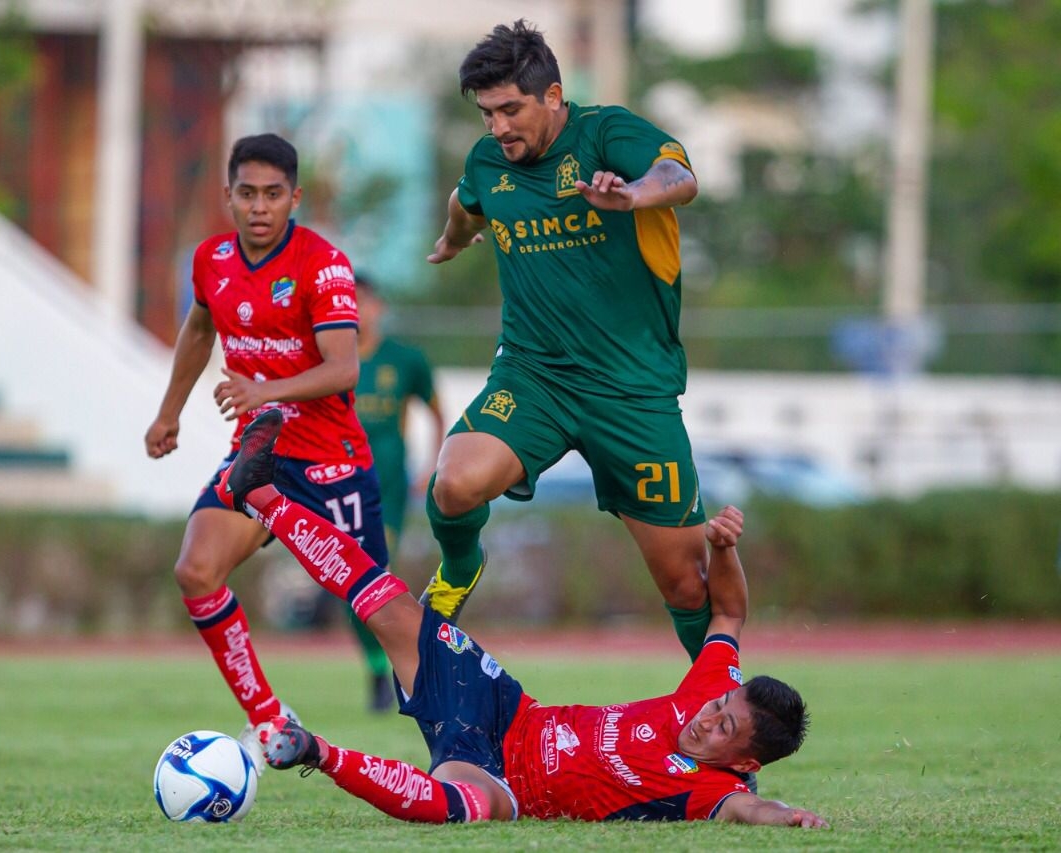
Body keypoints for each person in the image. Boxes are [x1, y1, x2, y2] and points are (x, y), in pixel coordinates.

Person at [216, 411, 828, 828]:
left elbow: (754, 812)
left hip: (507, 785)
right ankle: (261, 495)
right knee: (390, 605)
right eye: (719, 710)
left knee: (456, 806)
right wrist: (723, 547)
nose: (707, 721)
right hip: (508, 711)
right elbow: (727, 611)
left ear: (745, 763)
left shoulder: (715, 792)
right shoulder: (708, 691)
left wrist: (792, 815)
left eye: (725, 731)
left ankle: (313, 751)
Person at [421, 20, 715, 665]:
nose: (498, 128)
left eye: (510, 110)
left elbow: (680, 176)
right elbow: (466, 201)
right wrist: (449, 239)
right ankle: (460, 568)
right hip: (536, 378)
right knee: (454, 485)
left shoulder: (608, 132)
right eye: (487, 113)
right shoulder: (487, 161)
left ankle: (727, 729)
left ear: (553, 95)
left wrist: (634, 196)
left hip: (632, 389)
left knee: (689, 582)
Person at [144, 133, 390, 769]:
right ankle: (272, 723)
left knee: (384, 616)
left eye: (273, 195)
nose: (259, 207)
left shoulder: (323, 264)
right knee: (196, 571)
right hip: (259, 460)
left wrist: (264, 389)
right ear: (228, 196)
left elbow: (344, 368)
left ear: (294, 198)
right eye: (247, 193)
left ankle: (458, 735)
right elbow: (199, 329)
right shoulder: (210, 261)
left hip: (331, 463)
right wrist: (168, 412)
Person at [347, 272, 446, 712]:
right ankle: (375, 666)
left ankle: (405, 667)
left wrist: (432, 464)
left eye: (363, 301)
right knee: (345, 583)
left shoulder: (404, 360)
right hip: (336, 482)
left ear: (378, 307)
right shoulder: (332, 361)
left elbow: (438, 414)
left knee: (372, 568)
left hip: (385, 485)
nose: (357, 311)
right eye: (349, 302)